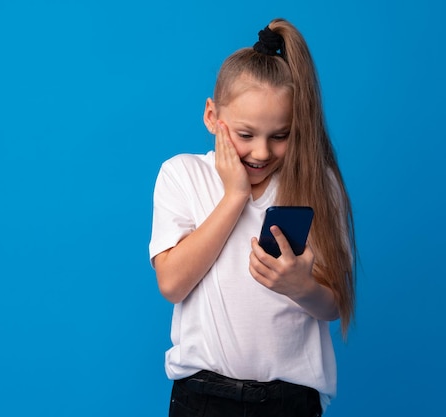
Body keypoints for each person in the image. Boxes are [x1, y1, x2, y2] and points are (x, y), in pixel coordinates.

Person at [148, 18, 356, 417]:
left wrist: (299, 286)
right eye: (245, 135)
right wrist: (235, 196)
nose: (261, 153)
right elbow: (172, 283)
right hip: (201, 395)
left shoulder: (317, 183)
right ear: (212, 116)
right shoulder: (182, 175)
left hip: (289, 400)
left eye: (280, 136)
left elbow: (333, 305)